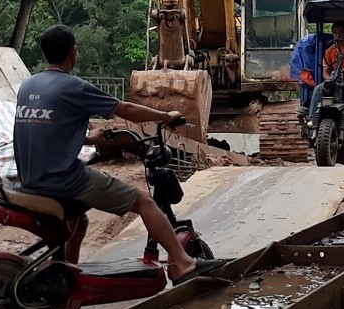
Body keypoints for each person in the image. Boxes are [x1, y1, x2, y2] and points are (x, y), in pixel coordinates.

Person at [13, 24, 222, 283]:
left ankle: (66, 278)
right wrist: (166, 116)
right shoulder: (73, 87)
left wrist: (89, 137)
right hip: (63, 180)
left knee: (80, 223)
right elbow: (124, 109)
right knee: (144, 201)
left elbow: (47, 130)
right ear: (73, 52)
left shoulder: (28, 85)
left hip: (31, 178)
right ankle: (183, 262)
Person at [308, 22, 344, 129]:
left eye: (340, 33)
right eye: (335, 33)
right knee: (318, 89)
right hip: (334, 80)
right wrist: (329, 80)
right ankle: (312, 118)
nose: (338, 35)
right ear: (332, 34)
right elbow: (325, 71)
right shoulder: (329, 51)